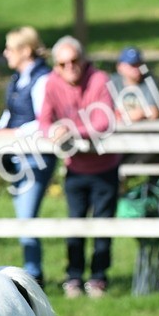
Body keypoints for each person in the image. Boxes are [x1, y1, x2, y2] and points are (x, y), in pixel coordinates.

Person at [37, 36, 122, 299]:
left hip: (105, 165)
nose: (70, 67)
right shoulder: (52, 83)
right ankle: (73, 276)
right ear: (56, 66)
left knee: (103, 225)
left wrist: (70, 130)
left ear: (83, 60)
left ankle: (98, 278)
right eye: (63, 63)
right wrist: (53, 131)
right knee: (74, 224)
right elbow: (43, 120)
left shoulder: (99, 80)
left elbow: (102, 122)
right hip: (75, 166)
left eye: (74, 61)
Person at [0, 26, 56, 286]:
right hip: (17, 155)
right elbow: (12, 112)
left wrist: (11, 133)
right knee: (23, 217)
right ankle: (32, 271)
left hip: (35, 156)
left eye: (10, 48)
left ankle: (33, 275)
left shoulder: (42, 79)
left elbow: (43, 121)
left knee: (25, 218)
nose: (6, 53)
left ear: (26, 51)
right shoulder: (17, 79)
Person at [109, 47, 159, 124]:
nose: (136, 69)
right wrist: (141, 113)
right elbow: (104, 115)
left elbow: (154, 114)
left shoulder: (150, 81)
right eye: (132, 65)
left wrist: (122, 116)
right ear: (120, 67)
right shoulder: (111, 82)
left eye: (139, 64)